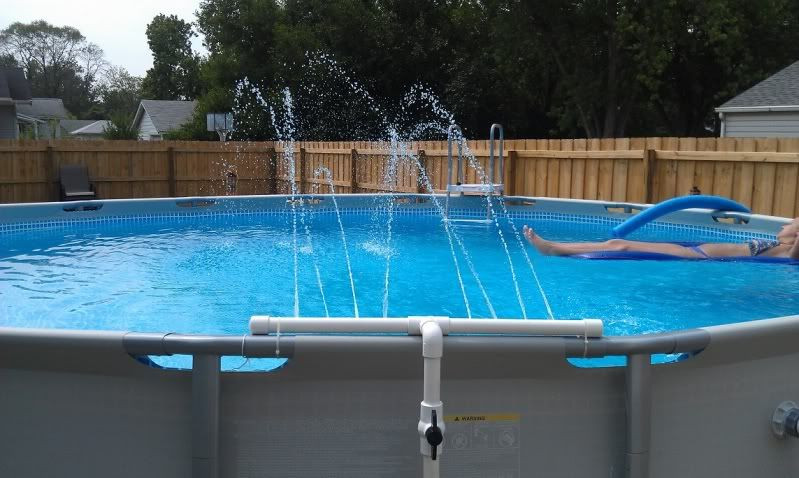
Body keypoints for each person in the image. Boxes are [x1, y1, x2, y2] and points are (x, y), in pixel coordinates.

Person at [523, 218, 799, 259]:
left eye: (792, 223)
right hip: (697, 249)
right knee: (615, 244)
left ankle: (555, 248)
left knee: (620, 245)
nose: (785, 223)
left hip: (699, 256)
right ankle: (556, 247)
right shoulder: (781, 245)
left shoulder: (787, 251)